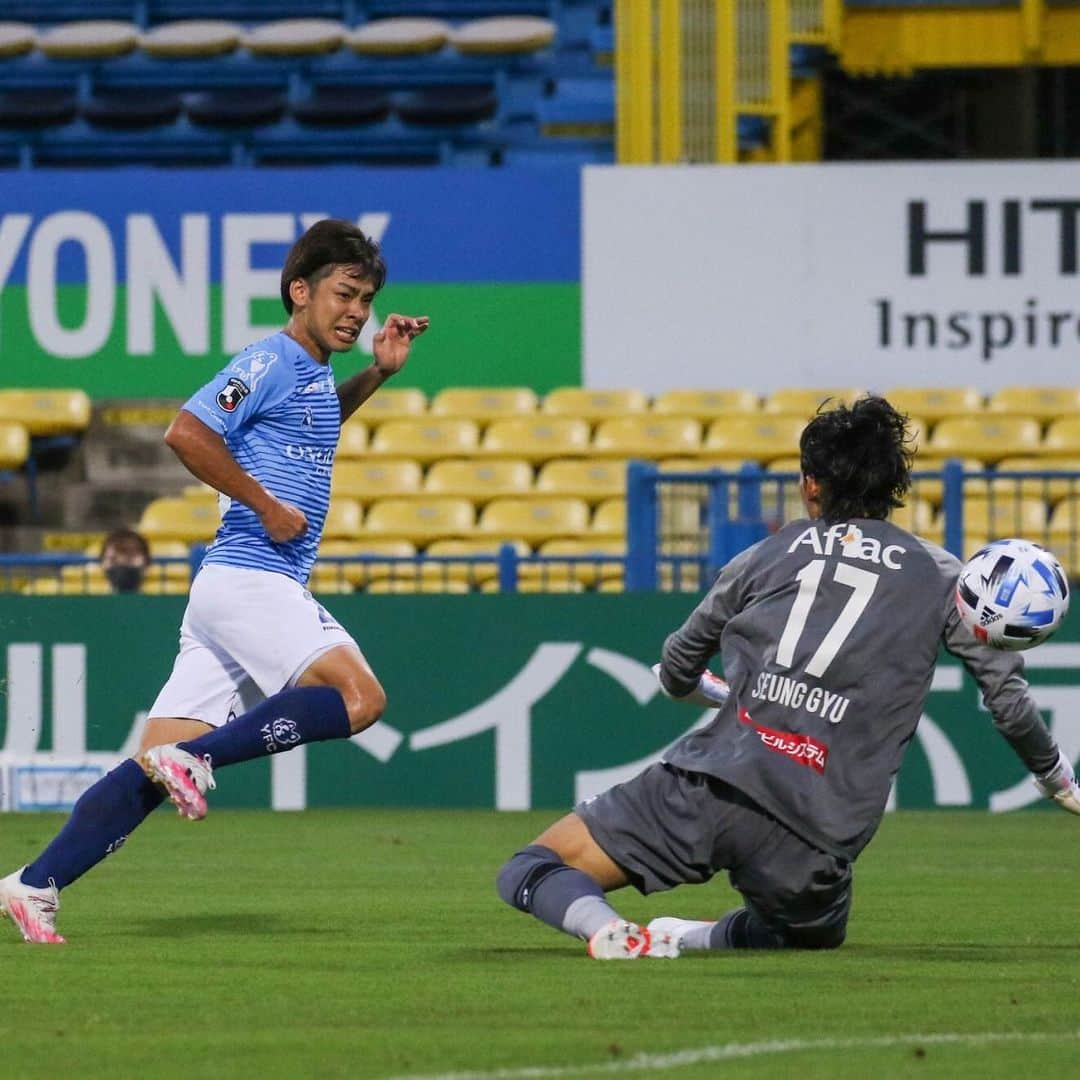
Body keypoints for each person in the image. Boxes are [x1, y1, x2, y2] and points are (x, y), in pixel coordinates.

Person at [496, 395, 1080, 960]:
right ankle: (687, 938)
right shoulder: (940, 575)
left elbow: (678, 668)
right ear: (894, 490)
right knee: (805, 934)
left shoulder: (767, 553)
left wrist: (706, 690)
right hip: (816, 834)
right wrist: (1055, 777)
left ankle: (606, 930)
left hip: (716, 784)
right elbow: (1006, 700)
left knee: (533, 868)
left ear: (810, 484)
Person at [0, 218, 429, 944]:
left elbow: (317, 422)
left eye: (367, 299)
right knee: (360, 699)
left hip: (230, 593)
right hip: (252, 576)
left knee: (146, 773)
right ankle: (194, 759)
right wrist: (266, 504)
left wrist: (379, 373)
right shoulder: (268, 360)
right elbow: (187, 432)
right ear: (301, 291)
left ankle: (34, 883)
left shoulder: (315, 373)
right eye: (346, 294)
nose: (358, 311)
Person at [100, 527, 152, 593]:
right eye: (114, 560)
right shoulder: (91, 602)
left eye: (130, 558)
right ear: (102, 564)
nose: (122, 564)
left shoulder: (159, 603)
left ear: (147, 562)